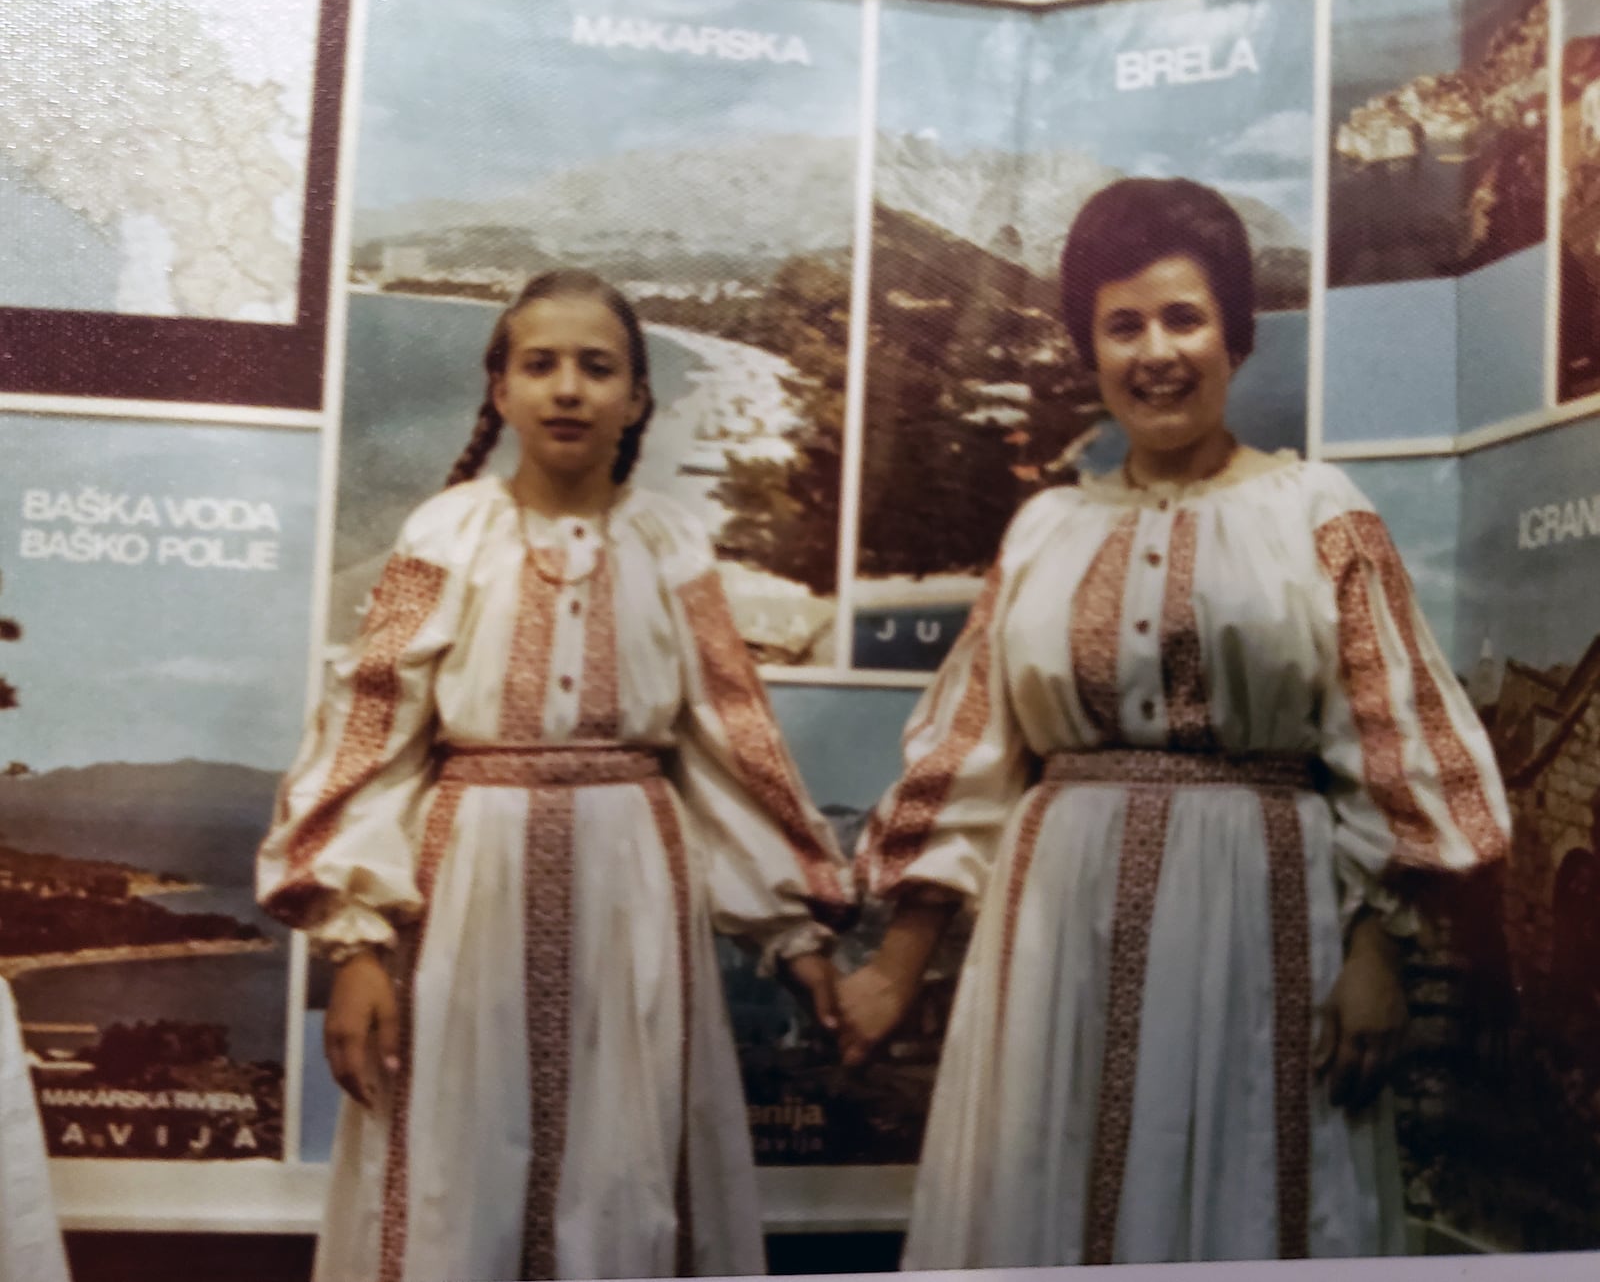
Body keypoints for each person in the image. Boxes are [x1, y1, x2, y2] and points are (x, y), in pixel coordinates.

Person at [838, 177, 1510, 1265]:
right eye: (1123, 325)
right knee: (1048, 1194)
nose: (1156, 352)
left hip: (1260, 925)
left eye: (1183, 318)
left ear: (1235, 337)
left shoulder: (1315, 512)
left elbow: (1390, 731)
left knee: (1255, 1184)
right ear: (1089, 349)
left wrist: (1378, 946)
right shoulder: (1044, 529)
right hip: (1055, 934)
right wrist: (896, 963)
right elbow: (970, 751)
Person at [257, 270, 851, 1282]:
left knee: (626, 1161)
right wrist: (355, 945)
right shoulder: (449, 534)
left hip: (633, 897)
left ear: (635, 396)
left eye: (595, 366)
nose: (567, 388)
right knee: (459, 1158)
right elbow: (372, 731)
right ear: (499, 390)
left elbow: (728, 736)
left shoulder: (668, 542)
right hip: (467, 897)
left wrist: (792, 926)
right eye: (540, 364)